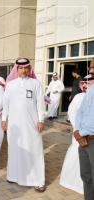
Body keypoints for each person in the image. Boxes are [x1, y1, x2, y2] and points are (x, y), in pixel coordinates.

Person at [2, 58, 46, 192]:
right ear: (16, 69)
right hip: (14, 125)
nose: (23, 70)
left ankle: (38, 180)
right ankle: (14, 175)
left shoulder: (36, 83)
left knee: (35, 149)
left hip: (31, 123)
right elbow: (6, 104)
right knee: (15, 148)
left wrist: (41, 120)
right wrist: (4, 119)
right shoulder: (10, 84)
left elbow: (40, 104)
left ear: (29, 69)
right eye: (20, 68)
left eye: (26, 68)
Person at [60, 76, 94, 194]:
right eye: (83, 83)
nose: (85, 85)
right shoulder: (78, 97)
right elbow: (73, 113)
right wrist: (78, 130)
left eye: (88, 83)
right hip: (79, 134)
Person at [74, 59, 94, 200]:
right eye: (91, 67)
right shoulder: (92, 89)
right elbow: (81, 112)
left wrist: (80, 133)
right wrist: (78, 131)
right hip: (84, 140)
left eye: (93, 67)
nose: (91, 70)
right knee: (86, 177)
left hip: (91, 140)